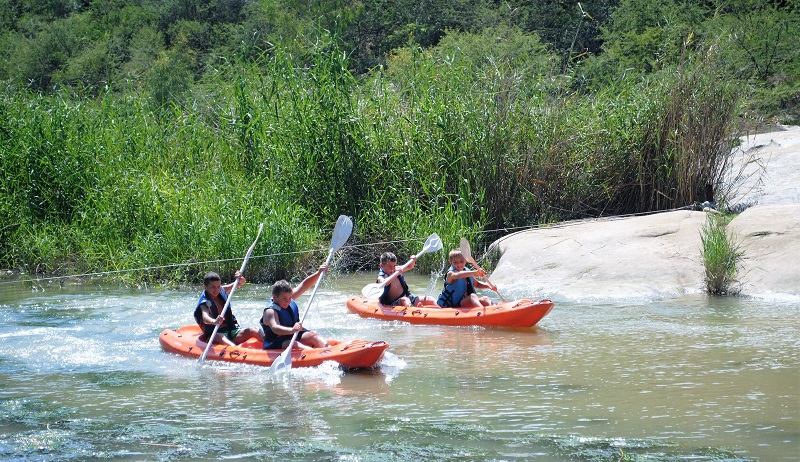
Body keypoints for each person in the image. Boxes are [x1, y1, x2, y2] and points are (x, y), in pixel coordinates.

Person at [260, 265, 330, 350]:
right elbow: (275, 328)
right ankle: (315, 355)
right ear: (275, 297)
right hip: (275, 341)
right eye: (284, 298)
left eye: (289, 298)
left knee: (313, 335)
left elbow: (304, 285)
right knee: (294, 344)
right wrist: (292, 330)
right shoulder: (270, 311)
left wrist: (318, 273)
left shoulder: (288, 297)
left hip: (293, 334)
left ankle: (331, 351)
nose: (288, 301)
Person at [194, 271, 263, 346]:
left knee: (255, 330)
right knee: (220, 336)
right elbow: (205, 318)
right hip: (216, 335)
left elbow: (241, 282)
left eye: (218, 286)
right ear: (205, 287)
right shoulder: (204, 303)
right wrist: (214, 321)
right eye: (213, 287)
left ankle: (270, 347)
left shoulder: (221, 290)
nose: (216, 289)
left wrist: (240, 277)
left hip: (231, 331)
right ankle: (236, 350)